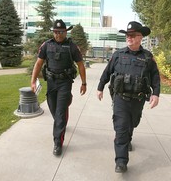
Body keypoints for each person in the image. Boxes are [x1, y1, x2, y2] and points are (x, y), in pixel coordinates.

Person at [97, 21, 160, 173]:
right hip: (120, 98)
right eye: (127, 35)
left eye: (132, 35)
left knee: (132, 124)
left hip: (138, 100)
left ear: (140, 37)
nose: (129, 38)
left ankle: (127, 139)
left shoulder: (147, 57)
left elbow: (155, 77)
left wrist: (156, 94)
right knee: (121, 128)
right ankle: (121, 161)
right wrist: (100, 88)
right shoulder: (118, 55)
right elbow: (106, 72)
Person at [31, 19, 87, 156]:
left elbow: (80, 65)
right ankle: (61, 121)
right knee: (53, 109)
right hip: (51, 82)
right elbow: (38, 64)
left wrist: (84, 83)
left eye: (61, 32)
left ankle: (57, 142)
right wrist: (33, 81)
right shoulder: (46, 45)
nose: (58, 35)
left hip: (64, 83)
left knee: (60, 113)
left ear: (65, 32)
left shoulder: (72, 47)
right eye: (56, 32)